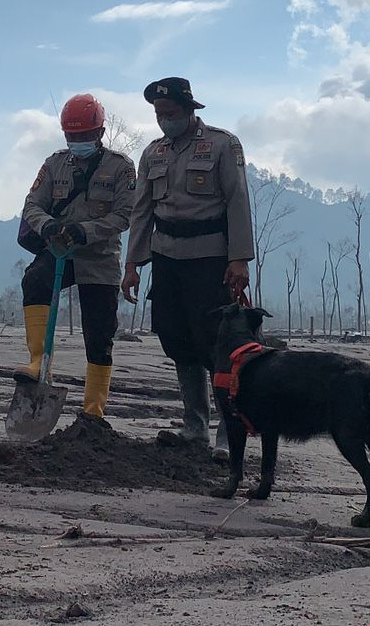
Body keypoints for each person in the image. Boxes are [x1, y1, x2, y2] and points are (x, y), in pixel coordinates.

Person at [121, 77, 254, 462]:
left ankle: (228, 434)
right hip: (166, 258)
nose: (164, 120)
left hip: (210, 258)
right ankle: (194, 426)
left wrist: (239, 258)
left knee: (217, 345)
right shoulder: (153, 153)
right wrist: (132, 264)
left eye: (171, 114)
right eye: (159, 115)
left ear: (190, 109)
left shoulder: (222, 144)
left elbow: (237, 201)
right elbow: (142, 210)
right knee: (178, 341)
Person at [17, 94, 136, 418]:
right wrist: (49, 226)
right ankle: (39, 361)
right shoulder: (54, 164)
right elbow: (32, 205)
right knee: (34, 280)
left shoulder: (120, 167)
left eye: (85, 136)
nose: (78, 142)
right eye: (72, 137)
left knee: (99, 334)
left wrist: (88, 230)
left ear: (100, 132)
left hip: (99, 259)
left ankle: (93, 411)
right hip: (59, 251)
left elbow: (125, 214)